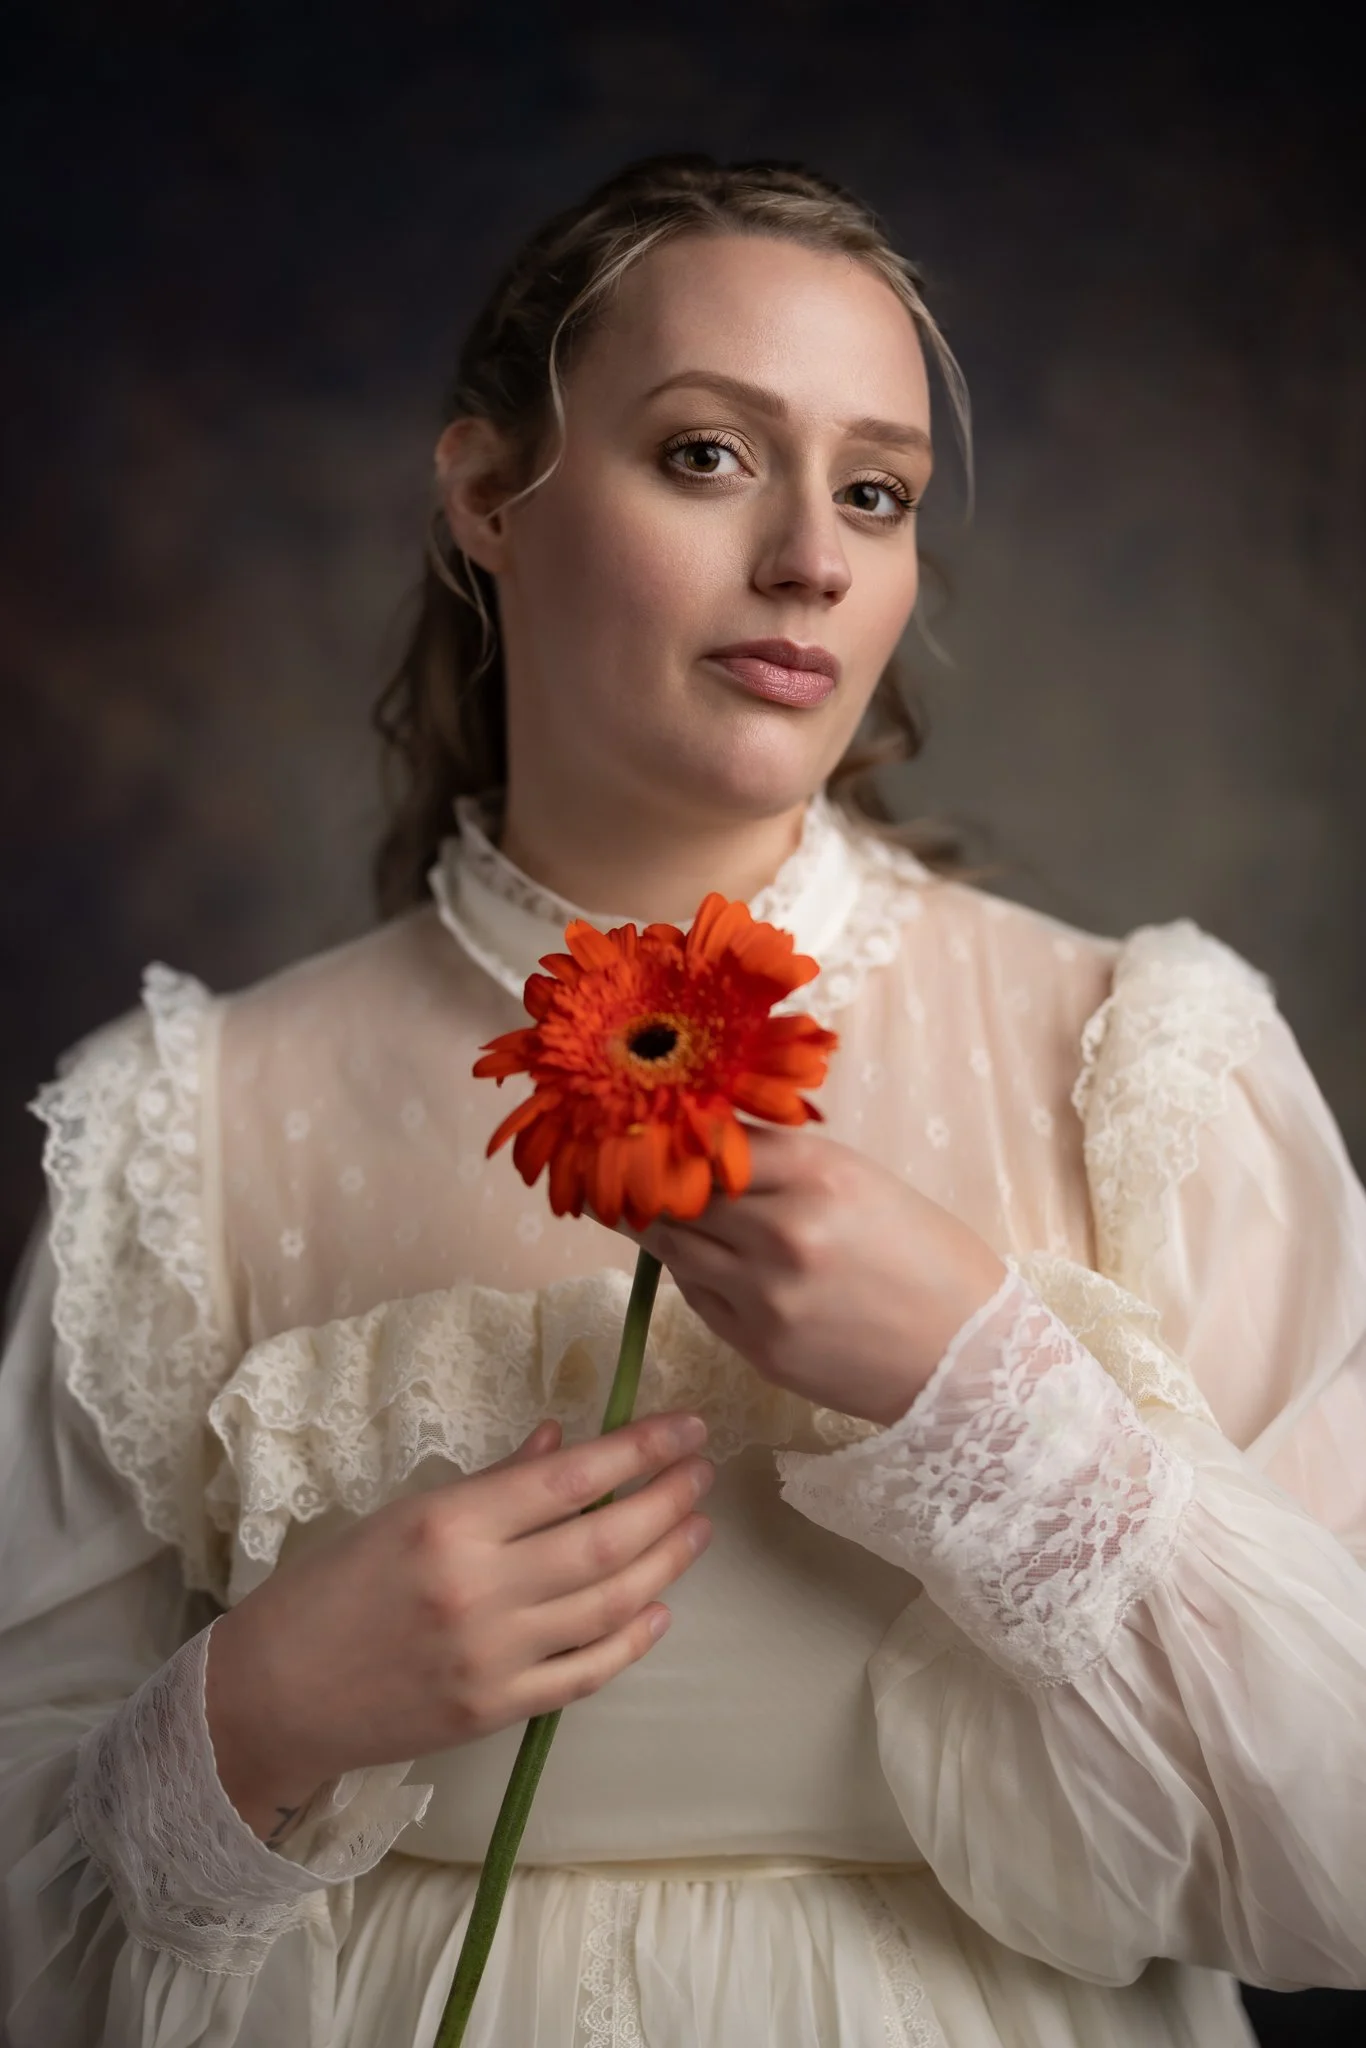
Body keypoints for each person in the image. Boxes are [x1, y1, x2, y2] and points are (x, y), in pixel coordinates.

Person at [2, 151, 1364, 2048]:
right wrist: (254, 1717)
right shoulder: (191, 1123)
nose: (810, 553)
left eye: (874, 492)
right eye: (711, 454)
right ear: (487, 493)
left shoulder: (1135, 1061)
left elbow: (1343, 1846)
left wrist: (999, 1408)